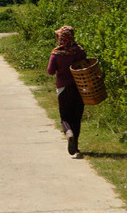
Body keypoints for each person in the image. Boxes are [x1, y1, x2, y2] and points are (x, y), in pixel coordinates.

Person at [47, 25, 87, 158]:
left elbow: (50, 71)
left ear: (61, 38)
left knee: (65, 117)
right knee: (77, 117)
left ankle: (69, 134)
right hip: (80, 88)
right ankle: (76, 145)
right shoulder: (80, 51)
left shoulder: (57, 53)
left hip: (64, 89)